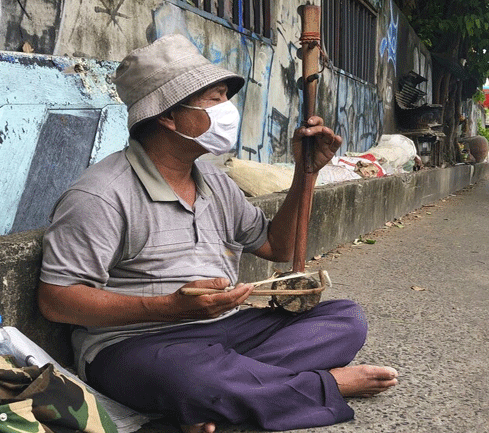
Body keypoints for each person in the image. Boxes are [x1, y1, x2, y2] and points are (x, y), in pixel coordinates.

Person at [37, 34, 398, 433]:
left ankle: (220, 402)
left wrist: (305, 174)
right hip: (139, 344)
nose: (228, 109)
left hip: (225, 330)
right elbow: (57, 301)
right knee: (191, 378)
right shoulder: (101, 194)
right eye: (214, 98)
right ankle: (319, 386)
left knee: (345, 319)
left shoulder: (213, 177)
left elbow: (276, 246)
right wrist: (168, 308)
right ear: (169, 117)